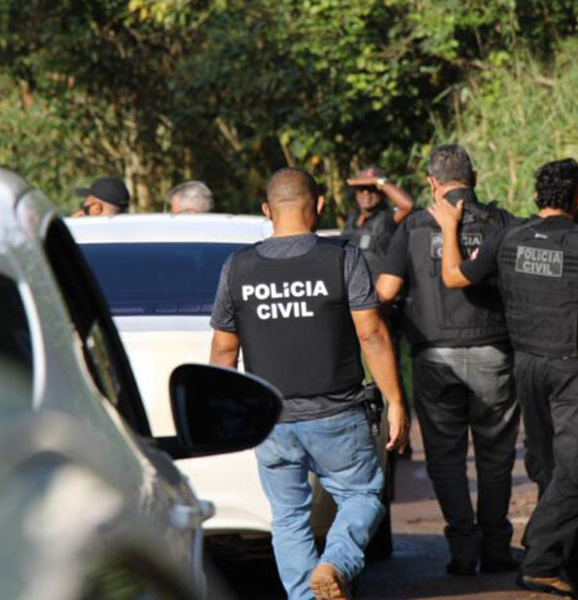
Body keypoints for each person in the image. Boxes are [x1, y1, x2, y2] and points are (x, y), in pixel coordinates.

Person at [430, 158, 578, 597]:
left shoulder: (510, 236)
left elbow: (452, 276)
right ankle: (539, 556)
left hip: (528, 366)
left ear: (538, 197)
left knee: (548, 466)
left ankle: (574, 561)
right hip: (573, 369)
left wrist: (448, 227)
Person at [210, 167, 409, 600]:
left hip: (271, 421)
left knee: (288, 517)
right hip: (337, 414)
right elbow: (372, 334)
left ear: (267, 211)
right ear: (318, 205)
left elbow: (224, 351)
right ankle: (335, 562)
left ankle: (304, 596)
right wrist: (395, 401)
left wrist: (226, 414)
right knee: (362, 495)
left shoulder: (238, 267)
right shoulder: (342, 257)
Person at [375, 143, 520, 577]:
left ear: (432, 183)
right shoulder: (502, 223)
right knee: (495, 455)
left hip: (433, 356)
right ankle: (496, 547)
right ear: (473, 179)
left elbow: (385, 292)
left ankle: (462, 549)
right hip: (494, 351)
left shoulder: (414, 227)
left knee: (445, 457)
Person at [341, 166, 415, 279]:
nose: (366, 193)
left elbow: (408, 206)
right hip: (354, 285)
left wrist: (379, 181)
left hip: (378, 286)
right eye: (361, 188)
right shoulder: (351, 220)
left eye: (372, 188)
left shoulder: (388, 217)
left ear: (382, 192)